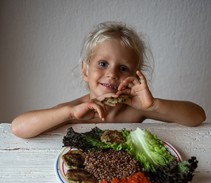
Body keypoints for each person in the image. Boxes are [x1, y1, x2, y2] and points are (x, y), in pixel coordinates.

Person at [11, 21, 206, 138]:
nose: (112, 74)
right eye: (103, 64)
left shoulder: (136, 111)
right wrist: (69, 114)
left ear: (134, 76)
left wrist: (153, 105)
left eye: (123, 68)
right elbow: (18, 127)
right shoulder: (77, 110)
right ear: (85, 71)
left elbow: (198, 117)